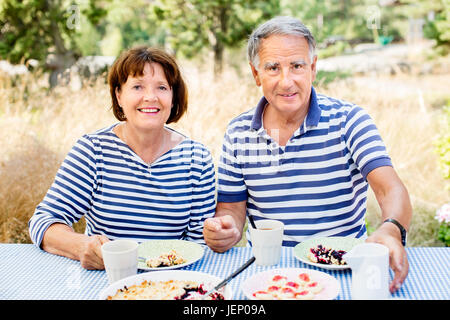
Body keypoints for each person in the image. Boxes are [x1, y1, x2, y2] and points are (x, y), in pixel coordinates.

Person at [203, 16, 412, 293]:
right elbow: (232, 209)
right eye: (273, 68)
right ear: (256, 74)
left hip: (342, 268)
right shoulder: (239, 131)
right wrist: (225, 229)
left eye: (297, 66)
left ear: (313, 68)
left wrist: (390, 229)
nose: (286, 81)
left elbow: (390, 189)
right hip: (267, 273)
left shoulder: (349, 120)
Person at [29, 46, 216, 270]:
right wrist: (82, 246)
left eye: (162, 87)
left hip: (171, 280)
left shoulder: (197, 159)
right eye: (137, 86)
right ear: (119, 96)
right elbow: (44, 221)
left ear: (174, 97)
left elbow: (199, 245)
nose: (150, 97)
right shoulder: (93, 151)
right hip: (105, 276)